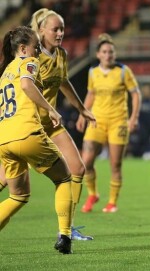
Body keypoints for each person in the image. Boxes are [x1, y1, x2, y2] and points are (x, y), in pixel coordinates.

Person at [0, 8, 97, 241]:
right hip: (29, 124)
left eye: (62, 28)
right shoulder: (32, 58)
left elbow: (64, 83)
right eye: (56, 28)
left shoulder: (61, 54)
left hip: (49, 124)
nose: (61, 33)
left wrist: (81, 109)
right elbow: (24, 86)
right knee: (5, 182)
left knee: (78, 169)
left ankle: (67, 227)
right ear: (41, 30)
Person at [0, 26, 73, 254]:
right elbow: (26, 84)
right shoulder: (27, 62)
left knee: (18, 196)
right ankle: (65, 236)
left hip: (4, 140)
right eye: (36, 46)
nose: (39, 50)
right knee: (64, 178)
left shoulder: (4, 74)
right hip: (27, 133)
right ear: (23, 48)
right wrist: (50, 109)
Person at [76, 33, 141, 214]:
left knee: (115, 164)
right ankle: (92, 194)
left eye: (111, 52)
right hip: (97, 121)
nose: (108, 55)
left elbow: (136, 94)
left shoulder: (123, 71)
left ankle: (112, 202)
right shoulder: (93, 72)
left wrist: (133, 118)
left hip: (118, 122)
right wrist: (83, 113)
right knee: (86, 161)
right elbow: (91, 94)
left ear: (114, 54)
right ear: (98, 54)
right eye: (104, 52)